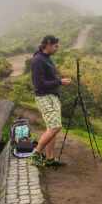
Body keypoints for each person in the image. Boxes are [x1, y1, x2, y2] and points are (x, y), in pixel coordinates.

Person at [29, 35, 71, 166]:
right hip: (44, 97)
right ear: (47, 44)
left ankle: (50, 158)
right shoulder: (38, 60)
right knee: (55, 127)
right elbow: (39, 84)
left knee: (51, 127)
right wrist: (59, 81)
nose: (57, 48)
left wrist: (58, 81)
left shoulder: (46, 59)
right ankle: (35, 154)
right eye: (55, 46)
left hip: (52, 96)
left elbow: (48, 78)